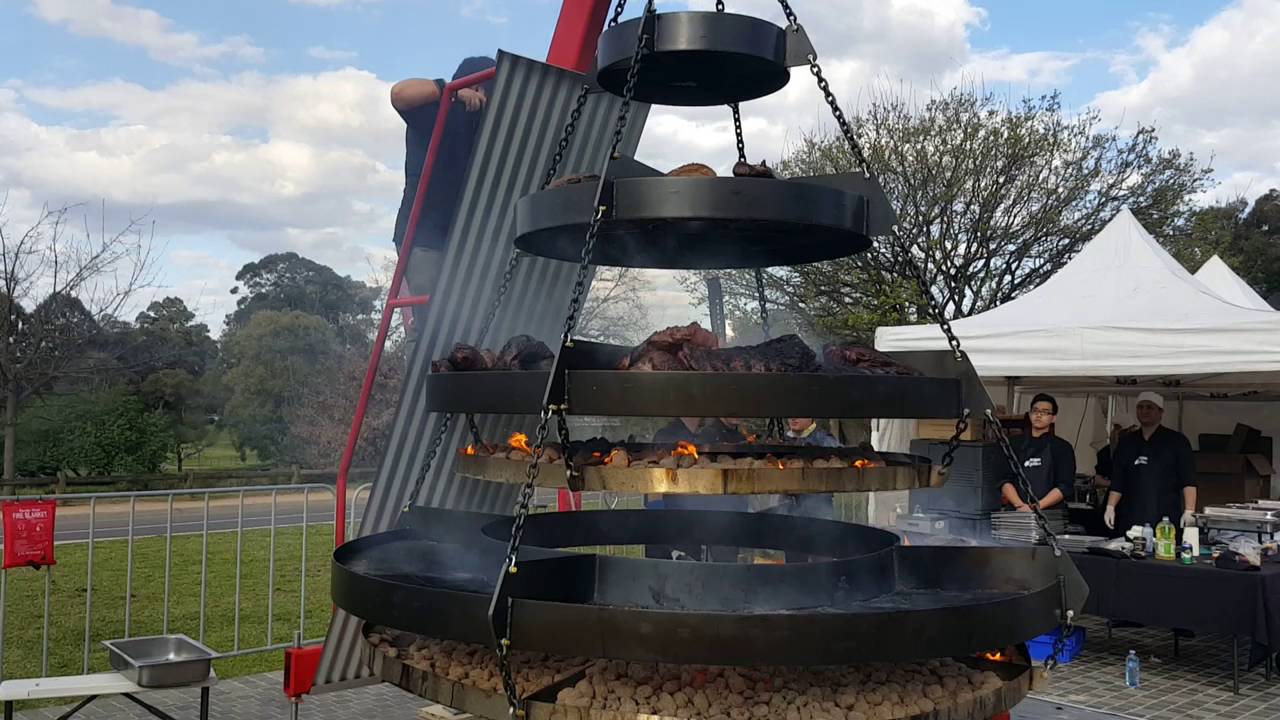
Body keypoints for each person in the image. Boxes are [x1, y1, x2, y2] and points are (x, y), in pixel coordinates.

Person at [389, 56, 496, 319]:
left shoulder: (489, 129)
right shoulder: (437, 111)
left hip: (461, 241)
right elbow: (399, 93)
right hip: (422, 239)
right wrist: (450, 90)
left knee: (457, 319)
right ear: (478, 89)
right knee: (431, 321)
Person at [1104, 392, 1197, 536]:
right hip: (1131, 513)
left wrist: (1189, 510)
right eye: (1140, 407)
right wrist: (1110, 507)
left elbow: (1188, 479)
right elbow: (1117, 480)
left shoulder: (1177, 441)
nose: (1144, 411)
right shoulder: (1127, 442)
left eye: (1149, 407)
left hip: (1165, 515)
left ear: (1160, 412)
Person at [1000, 393, 1076, 512]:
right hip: (1017, 514)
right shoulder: (1013, 444)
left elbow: (1064, 485)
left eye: (1045, 412)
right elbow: (1004, 480)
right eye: (1035, 411)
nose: (1039, 415)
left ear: (1053, 418)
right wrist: (1020, 505)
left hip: (1049, 515)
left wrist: (1038, 506)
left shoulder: (1062, 447)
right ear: (1030, 414)